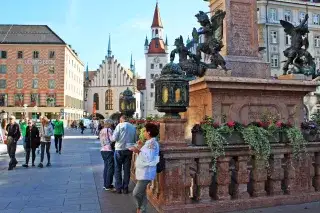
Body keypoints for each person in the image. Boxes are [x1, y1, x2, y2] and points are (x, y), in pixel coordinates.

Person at [130, 123, 160, 213]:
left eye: (144, 131)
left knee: (136, 193)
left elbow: (149, 158)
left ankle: (140, 208)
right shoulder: (149, 142)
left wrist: (137, 151)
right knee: (141, 193)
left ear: (148, 132)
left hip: (146, 173)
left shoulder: (152, 143)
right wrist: (140, 147)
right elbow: (146, 153)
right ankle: (142, 210)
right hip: (143, 172)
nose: (143, 133)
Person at [112, 115, 137, 194]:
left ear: (121, 120)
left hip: (119, 149)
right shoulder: (133, 127)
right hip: (129, 150)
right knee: (126, 170)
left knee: (117, 169)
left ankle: (118, 188)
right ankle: (125, 188)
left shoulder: (119, 126)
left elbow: (114, 138)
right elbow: (135, 139)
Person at [100, 119, 115, 191]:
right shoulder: (108, 130)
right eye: (111, 124)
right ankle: (108, 185)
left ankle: (105, 184)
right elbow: (112, 139)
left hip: (103, 150)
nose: (111, 125)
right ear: (108, 124)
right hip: (108, 149)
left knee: (106, 167)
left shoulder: (102, 130)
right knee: (110, 168)